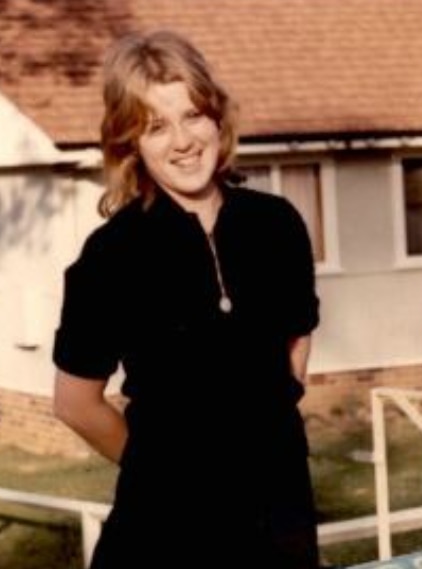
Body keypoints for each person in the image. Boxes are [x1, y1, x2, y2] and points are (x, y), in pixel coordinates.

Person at [52, 30, 322, 568]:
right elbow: (75, 404)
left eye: (193, 115)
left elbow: (295, 353)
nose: (182, 141)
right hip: (164, 533)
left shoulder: (278, 226)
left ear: (218, 119)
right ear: (130, 143)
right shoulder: (110, 257)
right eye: (155, 126)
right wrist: (163, 472)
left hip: (279, 521)